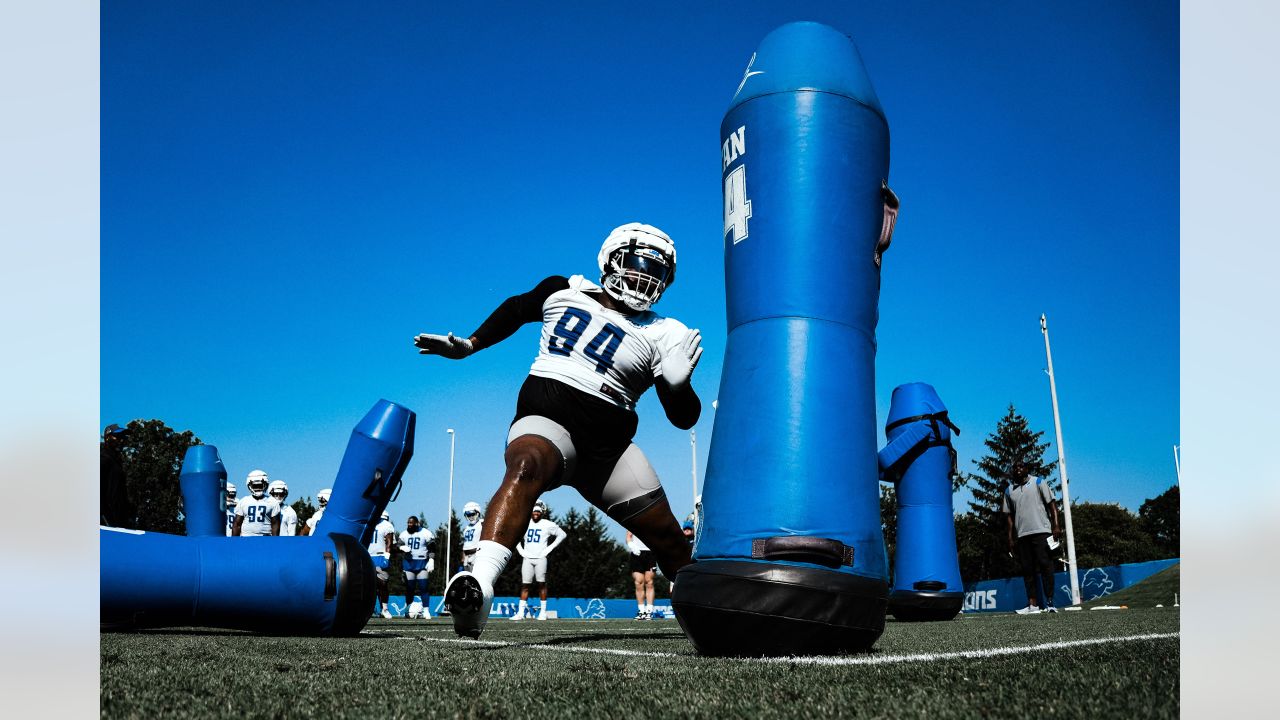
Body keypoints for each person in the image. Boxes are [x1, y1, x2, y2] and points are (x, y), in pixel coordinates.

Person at [416, 222, 702, 639]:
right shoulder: (563, 289)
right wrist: (471, 345)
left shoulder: (666, 332)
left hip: (609, 450)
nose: (645, 277)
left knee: (671, 542)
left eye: (656, 272)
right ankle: (478, 587)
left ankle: (706, 614)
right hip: (548, 420)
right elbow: (516, 309)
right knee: (525, 465)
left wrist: (679, 386)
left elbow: (684, 418)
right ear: (611, 259)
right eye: (638, 264)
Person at [1002, 462, 1063, 614]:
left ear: (1027, 469)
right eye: (1014, 468)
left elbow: (1052, 505)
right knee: (1027, 570)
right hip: (1022, 535)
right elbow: (1009, 517)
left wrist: (1056, 526)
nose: (1017, 469)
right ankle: (1032, 605)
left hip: (1042, 531)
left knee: (1045, 566)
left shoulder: (1038, 482)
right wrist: (1010, 537)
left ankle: (1050, 603)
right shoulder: (1009, 491)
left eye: (1021, 467)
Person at [512, 501, 566, 621]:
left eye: (538, 511)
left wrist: (549, 549)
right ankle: (521, 613)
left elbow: (562, 534)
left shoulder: (547, 524)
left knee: (541, 584)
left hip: (541, 558)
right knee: (525, 585)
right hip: (527, 558)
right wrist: (520, 550)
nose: (536, 513)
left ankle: (542, 612)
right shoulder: (525, 523)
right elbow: (514, 535)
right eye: (534, 511)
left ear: (542, 513)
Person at [398, 515, 436, 619]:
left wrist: (431, 559)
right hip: (409, 563)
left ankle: (426, 610)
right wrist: (401, 547)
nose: (409, 525)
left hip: (422, 562)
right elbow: (397, 545)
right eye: (408, 523)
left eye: (411, 523)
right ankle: (408, 609)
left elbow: (432, 546)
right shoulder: (404, 534)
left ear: (417, 523)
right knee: (409, 588)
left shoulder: (425, 533)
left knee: (423, 587)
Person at [100, 423, 132, 527]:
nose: (121, 440)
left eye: (122, 437)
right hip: (108, 520)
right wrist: (104, 516)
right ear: (108, 438)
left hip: (121, 519)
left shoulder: (116, 461)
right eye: (117, 436)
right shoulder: (103, 458)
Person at [232, 470, 281, 537]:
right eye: (255, 486)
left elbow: (275, 524)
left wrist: (275, 541)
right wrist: (234, 542)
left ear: (265, 485)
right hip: (247, 538)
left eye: (260, 485)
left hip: (265, 538)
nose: (258, 488)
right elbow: (237, 524)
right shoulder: (243, 501)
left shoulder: (272, 502)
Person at [370, 510, 396, 619]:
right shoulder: (366, 522)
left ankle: (384, 609)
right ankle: (369, 609)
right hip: (366, 554)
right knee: (368, 585)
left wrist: (386, 557)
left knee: (382, 584)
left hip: (379, 556)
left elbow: (390, 544)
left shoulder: (386, 525)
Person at [626, 530, 657, 620]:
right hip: (637, 553)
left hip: (650, 553)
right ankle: (641, 611)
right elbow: (628, 536)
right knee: (638, 582)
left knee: (649, 582)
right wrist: (632, 546)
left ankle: (649, 611)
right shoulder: (633, 521)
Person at [460, 501, 483, 571]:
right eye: (468, 515)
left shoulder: (482, 523)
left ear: (477, 513)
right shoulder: (467, 528)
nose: (471, 517)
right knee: (467, 579)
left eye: (473, 514)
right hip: (467, 557)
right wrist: (463, 557)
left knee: (476, 577)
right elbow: (465, 544)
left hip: (477, 555)